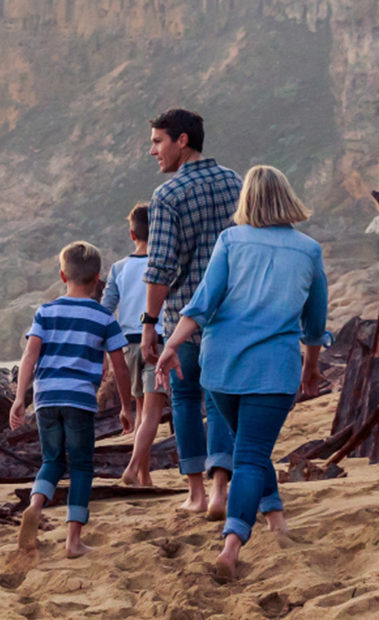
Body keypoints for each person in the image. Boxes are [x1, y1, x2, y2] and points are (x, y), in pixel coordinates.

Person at [155, 165, 327, 581]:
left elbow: (201, 303)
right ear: (287, 198)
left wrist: (172, 344)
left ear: (247, 199)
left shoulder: (230, 241)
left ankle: (276, 518)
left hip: (222, 369)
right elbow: (315, 323)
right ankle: (231, 547)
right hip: (273, 371)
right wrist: (311, 368)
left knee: (250, 449)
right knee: (250, 453)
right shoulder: (308, 250)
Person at [140, 108, 240, 519]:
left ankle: (196, 494)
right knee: (219, 400)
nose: (152, 151)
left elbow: (161, 267)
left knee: (183, 398)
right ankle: (220, 490)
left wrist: (148, 324)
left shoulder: (167, 196)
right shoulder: (235, 181)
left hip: (183, 317)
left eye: (158, 141)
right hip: (230, 316)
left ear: (182, 141)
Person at [11, 242, 137, 558]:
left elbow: (30, 354)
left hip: (46, 398)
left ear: (62, 275)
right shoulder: (103, 317)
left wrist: (18, 399)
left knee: (52, 461)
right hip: (80, 399)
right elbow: (120, 366)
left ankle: (36, 506)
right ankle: (73, 541)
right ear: (97, 279)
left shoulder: (46, 311)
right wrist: (126, 406)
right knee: (81, 465)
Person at [101, 203, 168, 487]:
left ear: (132, 234)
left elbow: (106, 309)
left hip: (127, 347)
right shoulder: (164, 264)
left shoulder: (119, 268)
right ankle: (130, 470)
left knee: (141, 412)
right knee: (152, 415)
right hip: (157, 343)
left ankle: (144, 475)